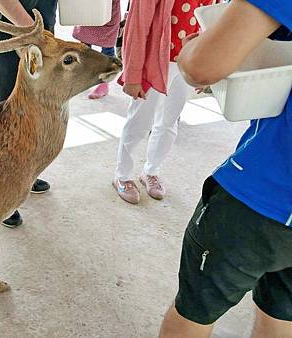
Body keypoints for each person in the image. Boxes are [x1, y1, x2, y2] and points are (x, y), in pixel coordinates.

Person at [159, 0, 292, 336]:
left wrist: (191, 51)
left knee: (195, 310)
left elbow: (204, 66)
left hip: (264, 196)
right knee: (282, 316)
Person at [114, 0, 216, 204]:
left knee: (170, 122)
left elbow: (211, 24)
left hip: (186, 62)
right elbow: (137, 27)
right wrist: (133, 75)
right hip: (153, 61)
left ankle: (151, 171)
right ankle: (123, 175)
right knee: (139, 122)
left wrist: (207, 68)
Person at [0, 0, 58, 228]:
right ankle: (2, 194)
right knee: (8, 111)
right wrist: (30, 31)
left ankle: (27, 174)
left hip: (41, 27)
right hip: (10, 28)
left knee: (38, 106)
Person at [72, 0, 121, 99]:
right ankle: (84, 77)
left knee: (107, 47)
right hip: (88, 8)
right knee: (85, 46)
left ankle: (104, 83)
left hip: (109, 9)